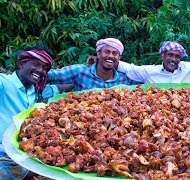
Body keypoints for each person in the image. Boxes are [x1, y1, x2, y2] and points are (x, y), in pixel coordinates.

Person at [0, 47, 73, 179]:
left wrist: (89, 69)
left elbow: (64, 87)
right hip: (2, 152)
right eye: (36, 64)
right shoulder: (5, 83)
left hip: (24, 153)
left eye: (44, 68)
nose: (40, 70)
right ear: (21, 63)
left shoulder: (38, 91)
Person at [47, 38, 141, 91]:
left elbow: (147, 85)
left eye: (115, 53)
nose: (110, 56)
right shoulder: (81, 71)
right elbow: (52, 76)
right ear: (98, 54)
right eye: (106, 52)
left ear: (119, 58)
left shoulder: (125, 78)